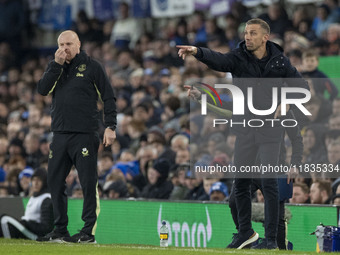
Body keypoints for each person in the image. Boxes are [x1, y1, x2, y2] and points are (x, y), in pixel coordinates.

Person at [178, 18, 307, 249]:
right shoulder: (238, 57)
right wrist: (197, 51)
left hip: (270, 132)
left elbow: (303, 88)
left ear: (265, 37)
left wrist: (285, 103)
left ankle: (270, 240)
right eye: (246, 32)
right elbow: (219, 60)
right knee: (240, 184)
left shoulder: (280, 62)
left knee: (269, 184)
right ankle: (245, 233)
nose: (247, 37)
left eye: (253, 33)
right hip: (246, 130)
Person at [36, 30, 117, 243]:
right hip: (60, 134)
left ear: (78, 44)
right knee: (54, 182)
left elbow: (108, 96)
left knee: (88, 183)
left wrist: (110, 126)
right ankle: (60, 229)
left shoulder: (93, 66)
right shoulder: (55, 67)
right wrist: (56, 65)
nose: (64, 48)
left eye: (69, 44)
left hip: (85, 134)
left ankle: (87, 232)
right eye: (61, 44)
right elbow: (43, 90)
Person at [0, 168, 53, 240]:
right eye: (34, 180)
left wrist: (27, 223)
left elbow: (46, 227)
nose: (35, 183)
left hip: (35, 234)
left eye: (39, 180)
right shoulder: (34, 197)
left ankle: (8, 241)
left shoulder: (46, 198)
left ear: (44, 182)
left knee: (4, 218)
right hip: (27, 228)